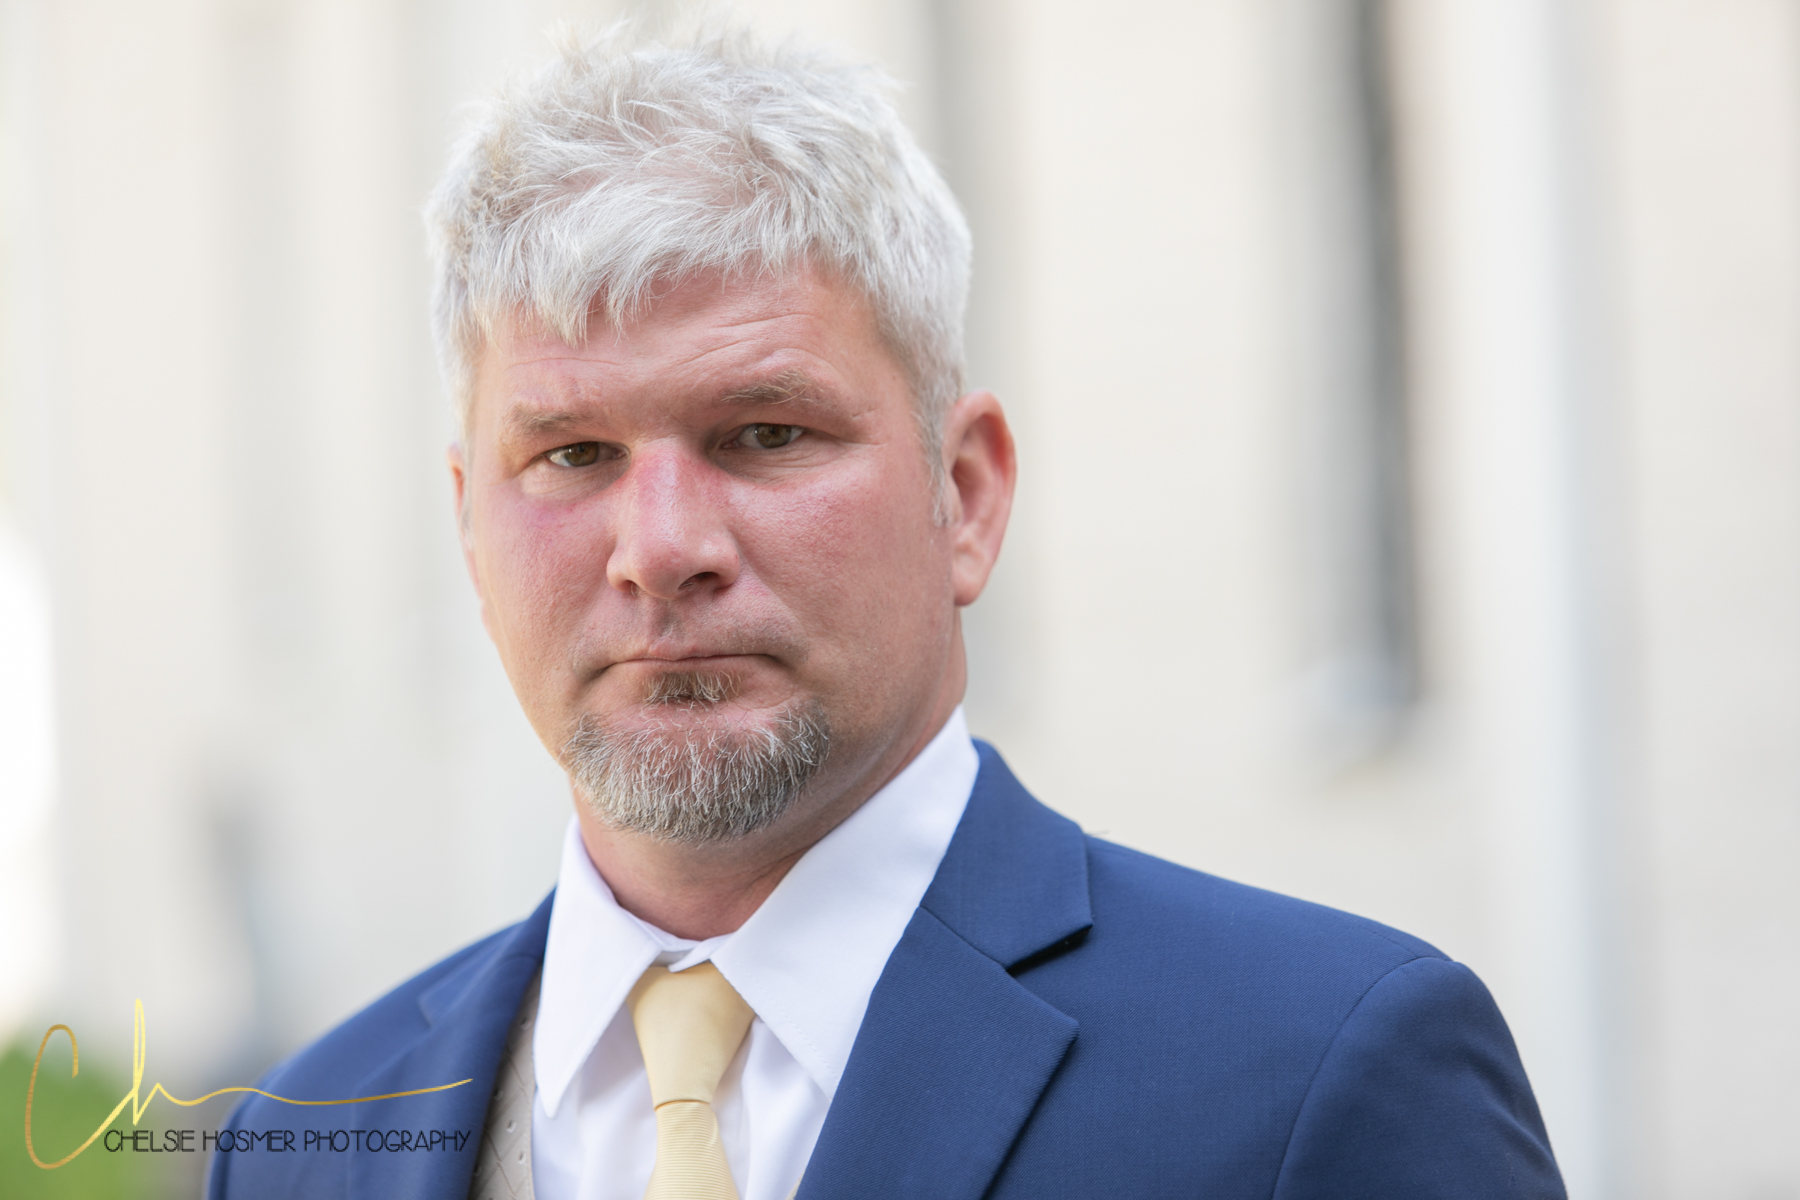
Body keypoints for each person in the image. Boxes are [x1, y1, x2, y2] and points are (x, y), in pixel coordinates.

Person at [207, 26, 1565, 1200]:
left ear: (963, 495)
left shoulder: (1320, 1075)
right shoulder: (303, 1144)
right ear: (468, 527)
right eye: (571, 455)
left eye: (764, 432)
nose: (662, 549)